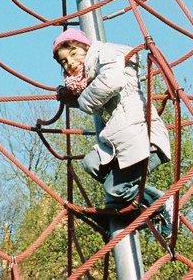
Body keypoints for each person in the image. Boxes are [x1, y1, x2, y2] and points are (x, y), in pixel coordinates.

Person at [52, 28, 173, 237]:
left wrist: (80, 99)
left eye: (73, 54)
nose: (69, 63)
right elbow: (95, 94)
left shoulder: (105, 53)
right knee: (91, 163)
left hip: (143, 138)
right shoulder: (88, 76)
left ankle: (162, 204)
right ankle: (133, 205)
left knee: (114, 190)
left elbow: (111, 82)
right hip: (120, 140)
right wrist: (70, 97)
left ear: (86, 47)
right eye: (63, 61)